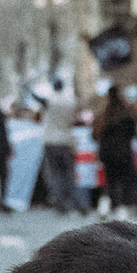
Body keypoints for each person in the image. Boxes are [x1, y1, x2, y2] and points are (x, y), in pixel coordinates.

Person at [92, 85, 136, 216]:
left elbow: (94, 134)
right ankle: (121, 207)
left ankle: (105, 205)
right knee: (123, 180)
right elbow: (133, 133)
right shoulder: (127, 113)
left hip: (107, 153)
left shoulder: (103, 115)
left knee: (109, 180)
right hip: (123, 153)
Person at [38, 75, 79, 213]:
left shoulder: (50, 101)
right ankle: (70, 200)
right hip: (66, 140)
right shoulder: (70, 102)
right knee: (67, 172)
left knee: (55, 173)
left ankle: (58, 200)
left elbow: (38, 99)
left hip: (51, 141)